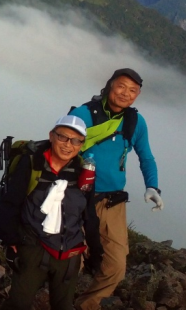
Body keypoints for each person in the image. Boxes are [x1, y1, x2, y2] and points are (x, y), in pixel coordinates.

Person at [71, 68, 161, 310]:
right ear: (110, 85)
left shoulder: (135, 122)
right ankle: (58, 301)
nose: (126, 93)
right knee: (71, 262)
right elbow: (59, 146)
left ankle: (85, 306)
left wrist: (152, 186)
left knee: (116, 266)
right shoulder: (84, 115)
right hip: (76, 198)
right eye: (122, 86)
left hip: (113, 203)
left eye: (133, 91)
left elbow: (146, 157)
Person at [0, 116, 103, 310]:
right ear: (51, 136)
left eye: (76, 140)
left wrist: (95, 252)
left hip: (70, 252)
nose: (68, 145)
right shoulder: (31, 164)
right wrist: (10, 242)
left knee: (63, 305)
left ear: (81, 144)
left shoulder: (84, 172)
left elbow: (89, 215)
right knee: (19, 304)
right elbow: (10, 203)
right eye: (63, 137)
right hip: (33, 248)